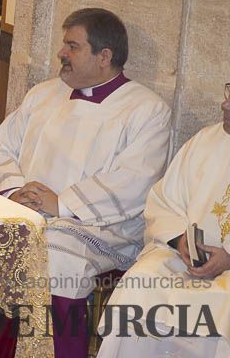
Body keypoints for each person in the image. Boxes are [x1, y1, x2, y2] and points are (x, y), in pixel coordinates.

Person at [0, 8, 171, 358]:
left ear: (104, 56)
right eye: (64, 44)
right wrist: (13, 192)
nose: (62, 53)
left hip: (102, 227)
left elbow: (136, 180)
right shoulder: (44, 93)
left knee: (53, 255)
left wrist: (62, 204)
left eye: (73, 46)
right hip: (28, 212)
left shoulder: (147, 109)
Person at [95, 88, 230, 358]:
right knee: (141, 282)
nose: (224, 104)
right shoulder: (205, 141)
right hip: (185, 258)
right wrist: (180, 239)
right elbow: (164, 201)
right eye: (229, 92)